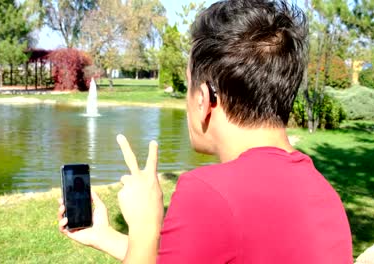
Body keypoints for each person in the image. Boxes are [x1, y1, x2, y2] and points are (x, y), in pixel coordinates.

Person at [58, 0, 353, 263]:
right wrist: (105, 236)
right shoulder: (322, 193)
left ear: (204, 99)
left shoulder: (208, 193)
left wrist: (145, 227)